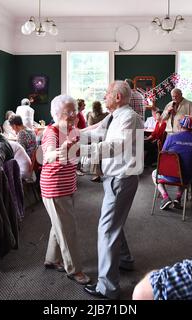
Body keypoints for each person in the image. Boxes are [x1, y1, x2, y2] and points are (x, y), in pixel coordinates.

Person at [82, 81, 144, 299]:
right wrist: (72, 132)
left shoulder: (129, 118)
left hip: (121, 178)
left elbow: (116, 145)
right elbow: (96, 131)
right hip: (115, 177)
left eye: (107, 93)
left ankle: (107, 288)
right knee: (114, 222)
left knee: (107, 228)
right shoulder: (113, 117)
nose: (104, 96)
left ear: (117, 97)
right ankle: (125, 260)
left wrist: (80, 150)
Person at [40, 94, 91, 286]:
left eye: (75, 110)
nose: (74, 114)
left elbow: (89, 131)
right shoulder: (51, 132)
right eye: (69, 111)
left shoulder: (71, 129)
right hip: (54, 187)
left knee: (59, 224)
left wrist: (105, 123)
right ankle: (74, 270)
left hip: (67, 185)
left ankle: (52, 259)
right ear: (57, 113)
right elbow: (48, 155)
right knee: (68, 229)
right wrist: (61, 150)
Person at [152, 115, 192, 210]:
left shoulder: (171, 138)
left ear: (180, 126)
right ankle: (178, 198)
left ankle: (165, 197)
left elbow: (163, 154)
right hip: (186, 177)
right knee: (185, 170)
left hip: (168, 175)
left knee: (154, 174)